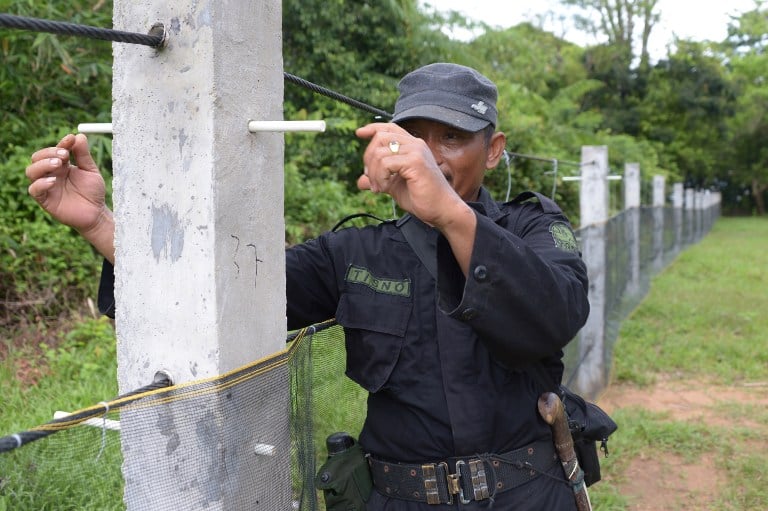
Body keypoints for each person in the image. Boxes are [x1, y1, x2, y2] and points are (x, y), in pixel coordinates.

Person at [26, 63, 589, 509]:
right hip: (400, 501)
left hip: (528, 497)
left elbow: (553, 314)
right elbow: (213, 301)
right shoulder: (354, 252)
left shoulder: (534, 229)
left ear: (493, 149)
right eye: (411, 137)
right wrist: (103, 227)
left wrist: (448, 213)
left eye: (451, 137)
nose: (427, 154)